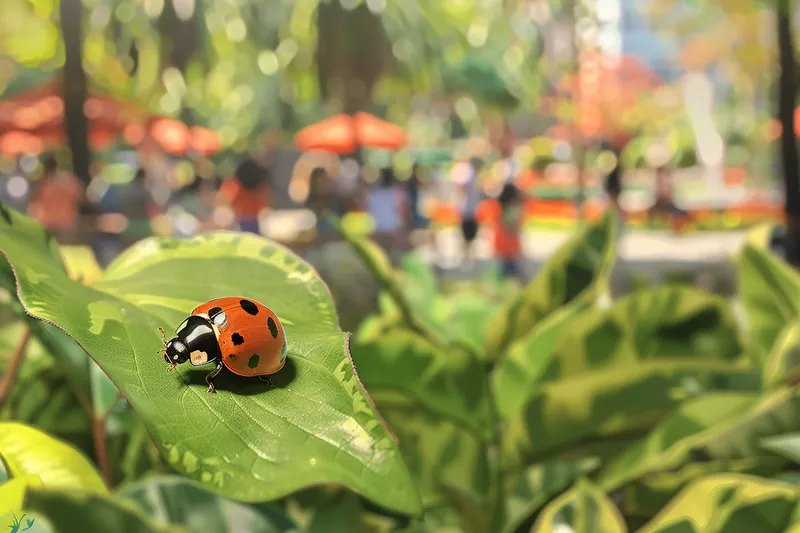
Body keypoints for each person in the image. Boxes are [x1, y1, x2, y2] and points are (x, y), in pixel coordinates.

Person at [27, 156, 83, 243]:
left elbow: (33, 201)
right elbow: (81, 197)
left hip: (48, 222)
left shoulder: (43, 182)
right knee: (64, 249)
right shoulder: (69, 180)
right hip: (65, 222)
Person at [217, 159, 270, 234]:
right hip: (255, 222)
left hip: (238, 222)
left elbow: (222, 202)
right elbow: (266, 202)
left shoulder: (232, 185)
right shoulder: (261, 186)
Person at [367, 168, 407, 256]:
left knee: (380, 255)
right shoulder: (398, 193)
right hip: (393, 226)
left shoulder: (374, 194)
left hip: (379, 227)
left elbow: (369, 210)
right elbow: (403, 212)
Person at [494, 182, 523, 282]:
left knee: (506, 269)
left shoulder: (501, 207)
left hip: (503, 243)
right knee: (511, 270)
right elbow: (512, 226)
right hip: (509, 244)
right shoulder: (512, 208)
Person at [459, 157, 483, 266]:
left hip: (473, 211)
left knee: (471, 236)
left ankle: (468, 256)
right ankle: (465, 256)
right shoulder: (470, 176)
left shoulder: (475, 177)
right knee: (467, 236)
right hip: (468, 211)